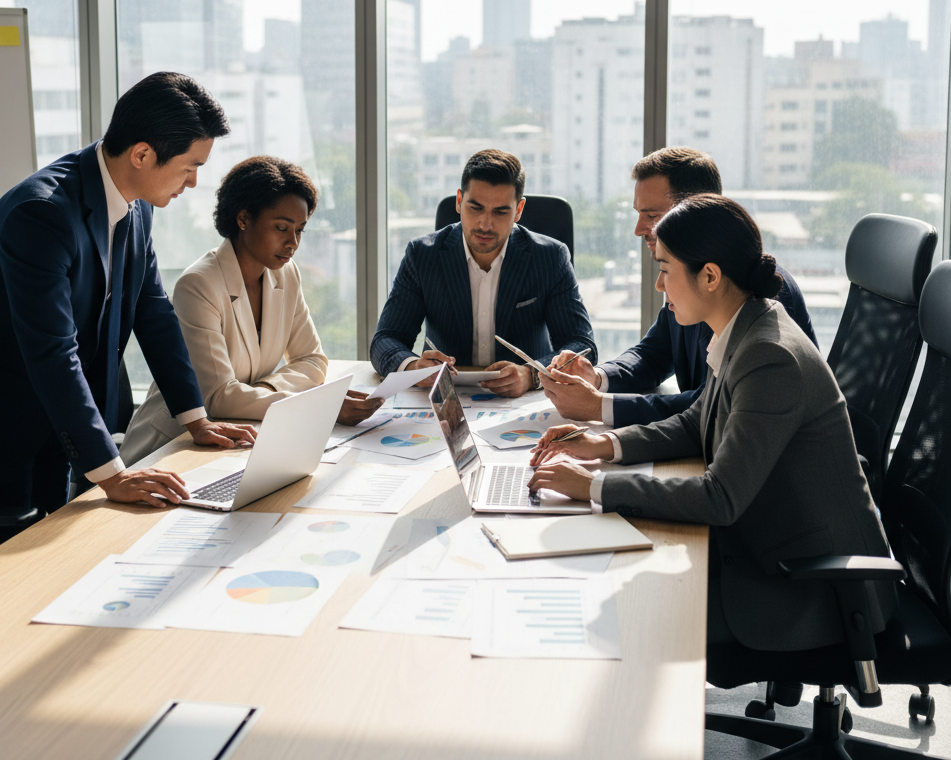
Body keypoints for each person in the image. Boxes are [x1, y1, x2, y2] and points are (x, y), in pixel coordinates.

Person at [528, 194, 895, 650]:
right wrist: (603, 446)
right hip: (775, 549)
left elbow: (719, 497)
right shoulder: (747, 326)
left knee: (628, 612)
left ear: (710, 276)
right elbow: (694, 423)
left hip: (814, 589)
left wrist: (593, 487)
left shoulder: (769, 355)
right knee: (619, 580)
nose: (659, 285)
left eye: (665, 269)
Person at [0, 72, 257, 523]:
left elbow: (153, 310)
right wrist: (114, 476)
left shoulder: (138, 203)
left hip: (52, 412)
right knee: (3, 562)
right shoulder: (41, 213)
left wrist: (195, 419)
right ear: (142, 154)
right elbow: (52, 351)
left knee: (57, 544)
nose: (194, 182)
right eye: (190, 166)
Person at [120, 155, 382, 465]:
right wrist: (315, 405)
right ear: (243, 219)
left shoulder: (286, 274)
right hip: (173, 445)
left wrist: (263, 389)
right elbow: (218, 397)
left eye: (300, 230)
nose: (293, 243)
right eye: (282, 228)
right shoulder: (198, 285)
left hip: (241, 435)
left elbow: (312, 360)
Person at [541, 146, 817, 426]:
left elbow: (714, 405)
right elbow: (654, 354)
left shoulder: (763, 293)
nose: (638, 229)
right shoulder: (685, 274)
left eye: (651, 216)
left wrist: (600, 407)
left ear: (695, 211)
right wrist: (598, 378)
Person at [370, 149, 596, 398]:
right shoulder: (422, 255)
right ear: (459, 200)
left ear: (519, 210)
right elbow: (385, 340)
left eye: (500, 212)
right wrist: (414, 368)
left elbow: (581, 346)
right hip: (445, 400)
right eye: (475, 208)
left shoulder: (551, 257)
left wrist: (531, 374)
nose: (485, 224)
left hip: (523, 402)